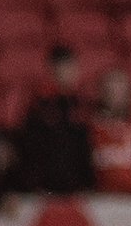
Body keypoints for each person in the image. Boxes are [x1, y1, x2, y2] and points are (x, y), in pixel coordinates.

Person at [17, 45, 95, 195]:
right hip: (45, 189)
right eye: (63, 68)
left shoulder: (82, 106)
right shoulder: (39, 106)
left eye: (71, 67)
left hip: (78, 189)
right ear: (52, 70)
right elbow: (32, 148)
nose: (69, 73)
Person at [88, 68, 131, 195]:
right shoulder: (90, 130)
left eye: (122, 90)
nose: (117, 97)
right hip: (99, 200)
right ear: (102, 93)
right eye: (112, 91)